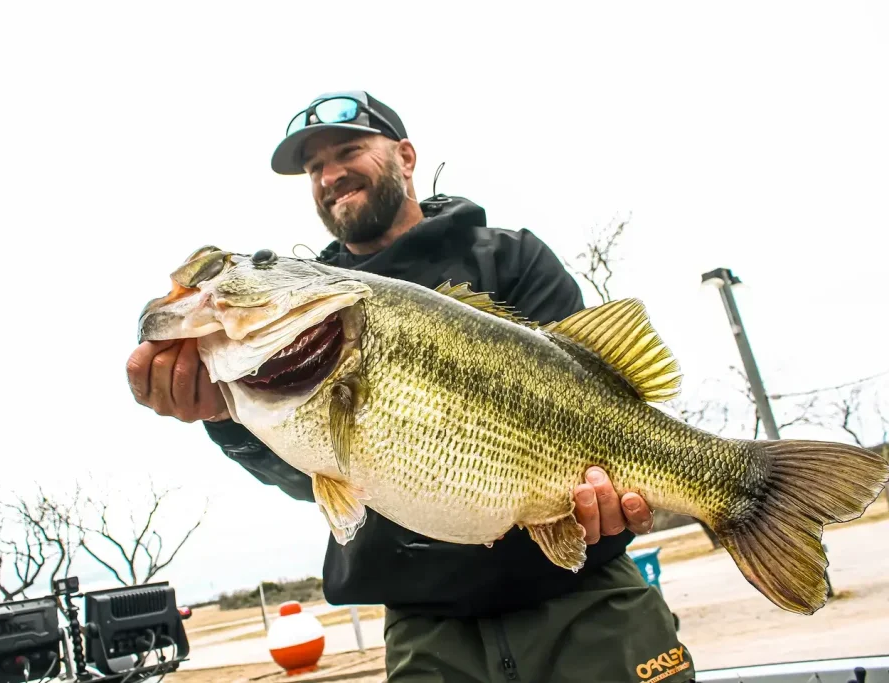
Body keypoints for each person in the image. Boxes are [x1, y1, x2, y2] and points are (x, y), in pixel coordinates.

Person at [127, 91, 695, 683]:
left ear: (405, 155)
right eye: (314, 167)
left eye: (349, 150)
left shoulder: (512, 257)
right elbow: (313, 474)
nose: (330, 174)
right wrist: (226, 418)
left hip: (586, 603)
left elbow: (603, 394)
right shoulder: (299, 334)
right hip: (428, 632)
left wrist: (607, 493)